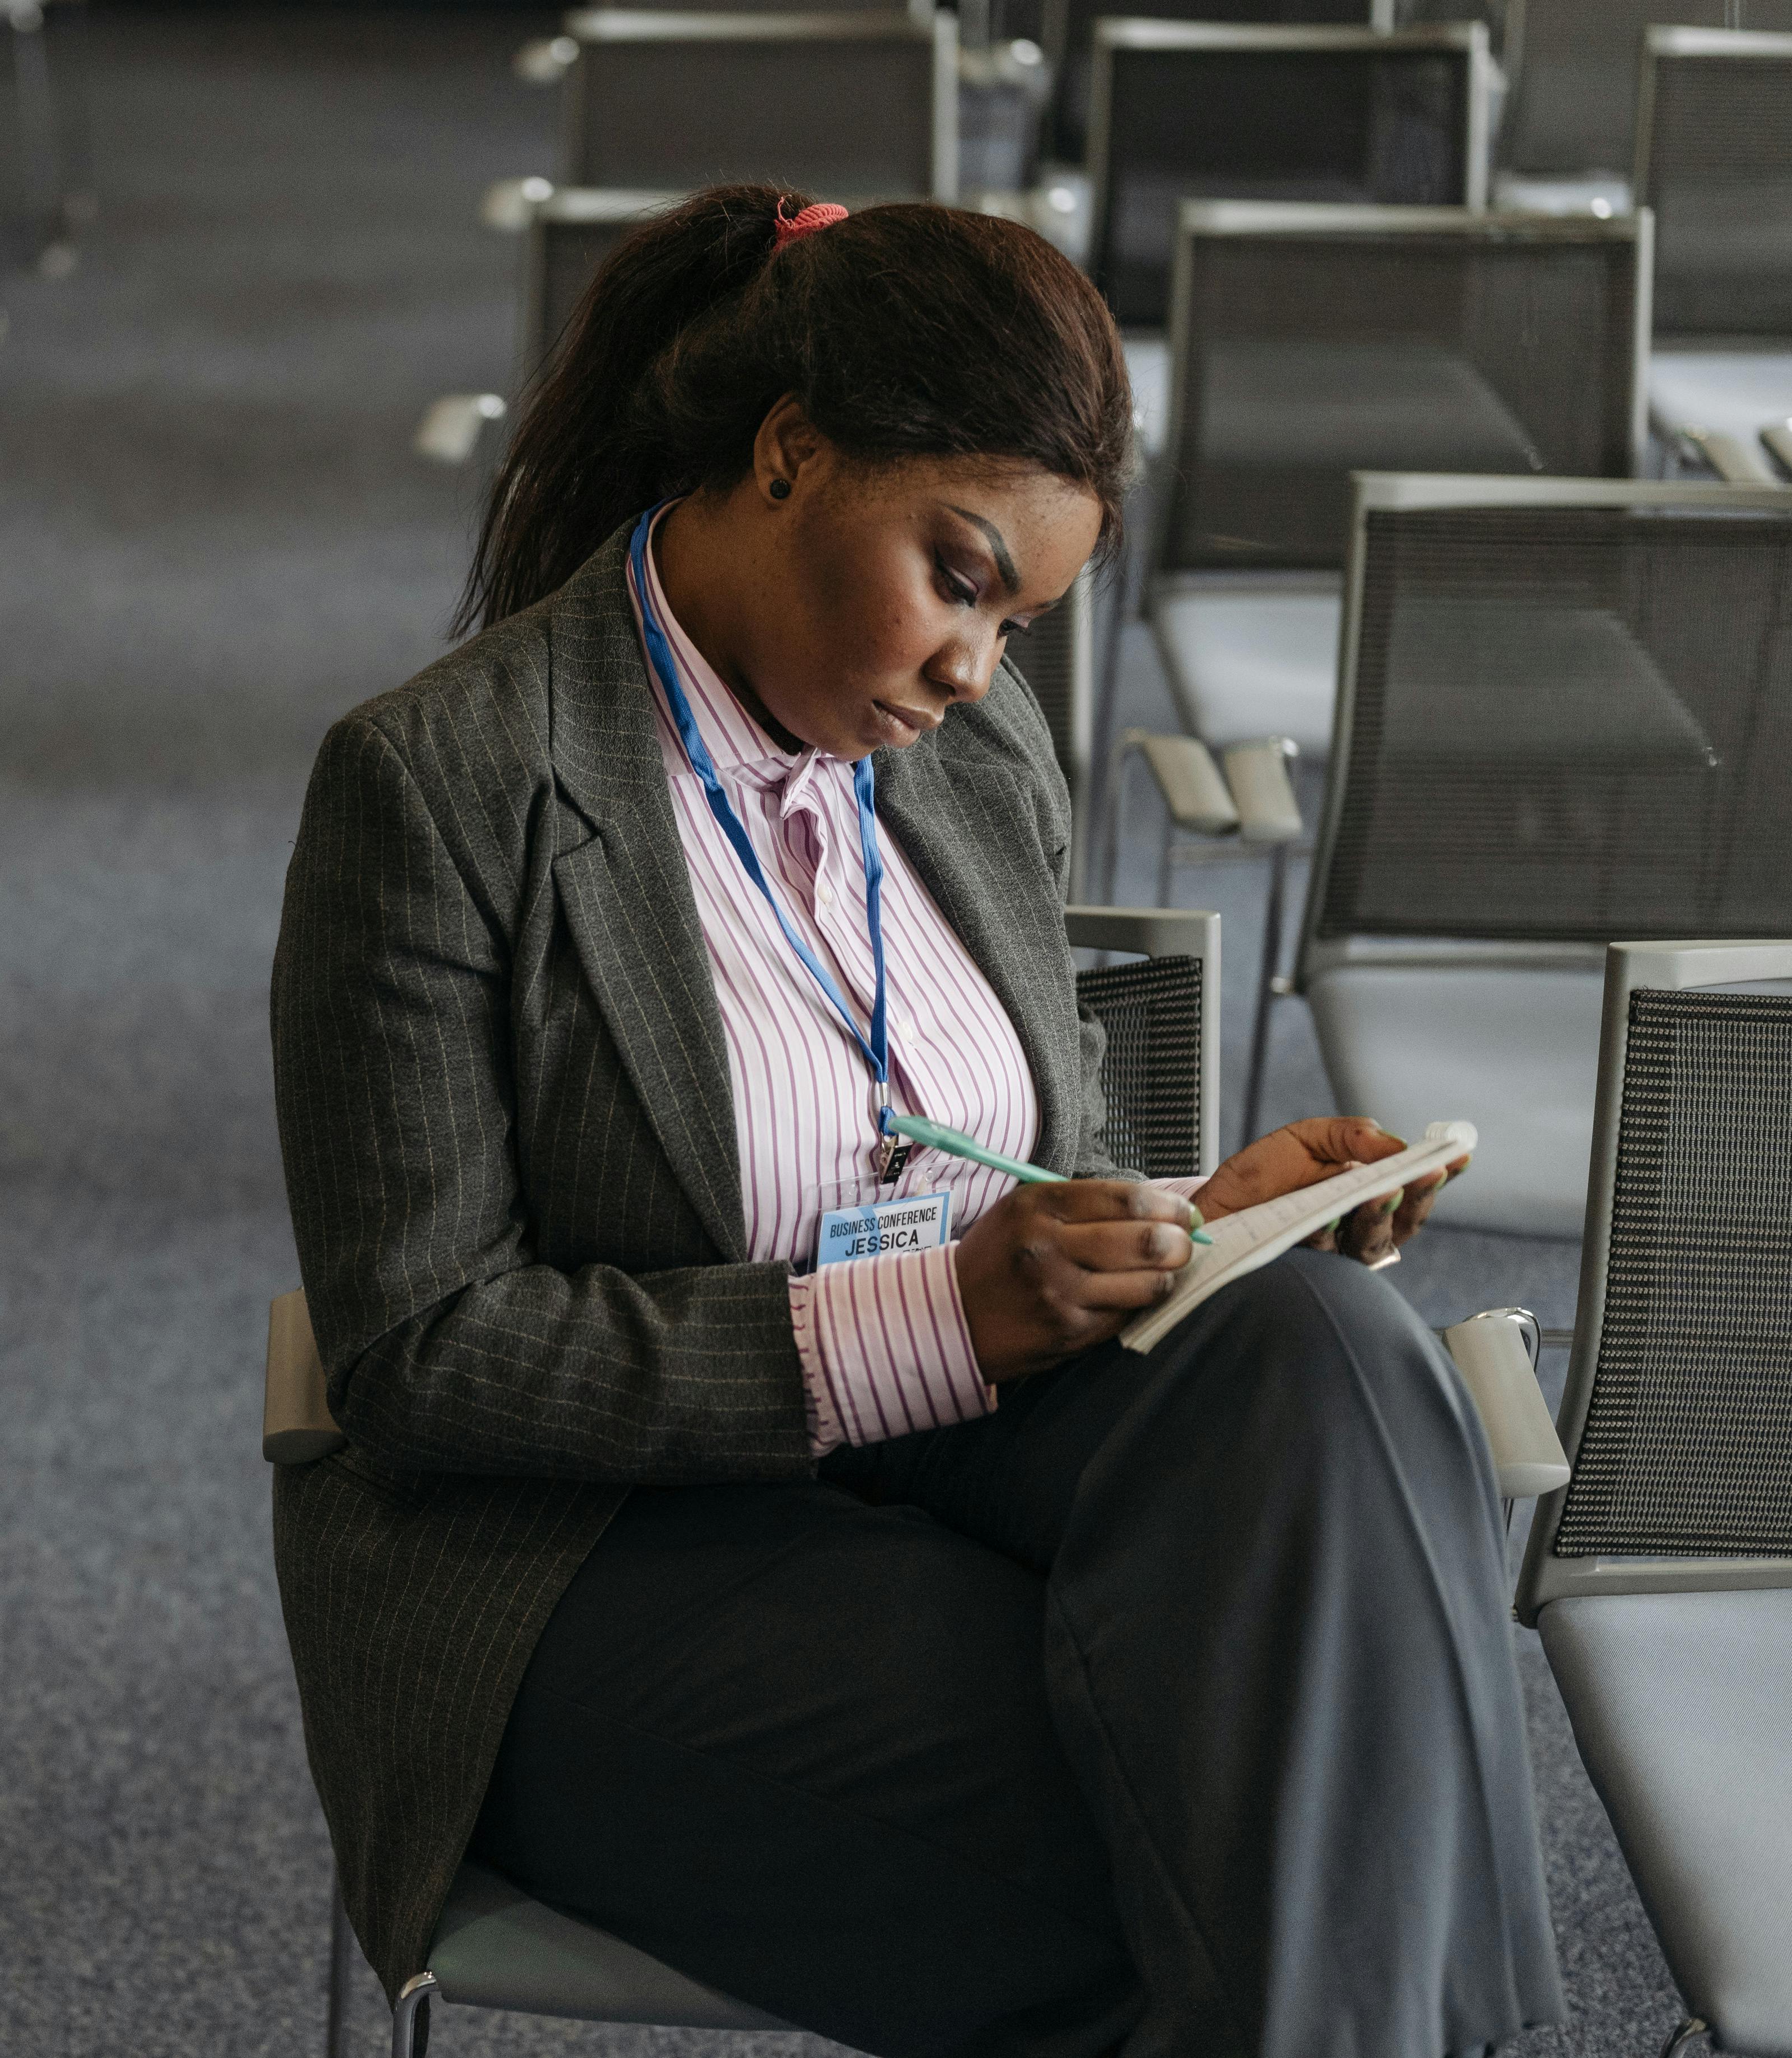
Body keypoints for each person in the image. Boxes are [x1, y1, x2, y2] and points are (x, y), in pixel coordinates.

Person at [268, 185, 1563, 2058]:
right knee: (1270, 1822)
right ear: (789, 457)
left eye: (1020, 620)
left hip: (962, 1450)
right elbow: (418, 1355)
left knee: (1321, 1345)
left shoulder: (971, 752)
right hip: (597, 1557)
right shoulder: (439, 784)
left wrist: (1197, 1218)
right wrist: (932, 1320)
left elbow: (1013, 1157)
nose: (975, 668)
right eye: (957, 579)